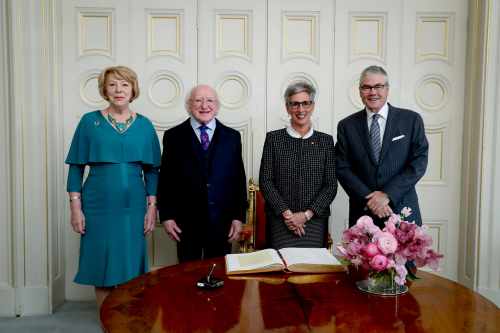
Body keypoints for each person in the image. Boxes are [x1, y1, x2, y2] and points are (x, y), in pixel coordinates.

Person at [65, 66, 161, 309]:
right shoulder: (89, 122)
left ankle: (127, 321)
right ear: (104, 90)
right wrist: (76, 208)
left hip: (133, 205)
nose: (119, 90)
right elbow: (76, 167)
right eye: (112, 85)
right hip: (98, 204)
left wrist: (151, 208)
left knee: (131, 264)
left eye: (125, 84)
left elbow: (152, 170)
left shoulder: (145, 125)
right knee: (103, 264)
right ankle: (107, 321)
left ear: (133, 90)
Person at [157, 84, 247, 262]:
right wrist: (166, 216)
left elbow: (238, 179)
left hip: (223, 223)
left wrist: (238, 217)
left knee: (220, 278)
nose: (204, 105)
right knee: (188, 279)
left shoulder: (232, 137)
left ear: (217, 106)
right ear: (189, 105)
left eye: (210, 100)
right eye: (198, 100)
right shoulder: (173, 136)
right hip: (186, 223)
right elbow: (166, 179)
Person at [336, 65, 428, 228]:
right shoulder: (347, 126)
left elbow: (418, 163)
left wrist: (387, 195)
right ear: (359, 91)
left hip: (402, 210)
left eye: (378, 86)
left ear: (387, 89)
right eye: (366, 87)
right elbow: (342, 167)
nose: (372, 92)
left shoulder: (411, 120)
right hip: (363, 214)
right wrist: (371, 200)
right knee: (362, 255)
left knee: (404, 255)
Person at [259, 82, 337, 249]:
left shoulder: (326, 141)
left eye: (305, 103)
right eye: (295, 104)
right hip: (280, 221)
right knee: (281, 270)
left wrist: (306, 215)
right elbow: (266, 181)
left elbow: (330, 186)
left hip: (314, 221)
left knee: (313, 271)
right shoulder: (274, 139)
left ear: (312, 106)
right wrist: (288, 215)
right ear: (287, 108)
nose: (300, 109)